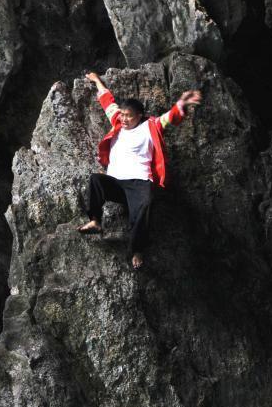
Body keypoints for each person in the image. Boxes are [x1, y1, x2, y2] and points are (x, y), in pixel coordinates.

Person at [78, 71, 202, 269]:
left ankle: (136, 250)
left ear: (140, 116)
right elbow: (106, 101)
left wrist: (183, 103)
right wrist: (96, 81)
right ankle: (95, 220)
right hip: (116, 181)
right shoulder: (117, 122)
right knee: (95, 180)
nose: (124, 119)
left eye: (129, 116)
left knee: (143, 209)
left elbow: (170, 117)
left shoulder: (150, 126)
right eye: (123, 115)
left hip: (139, 182)